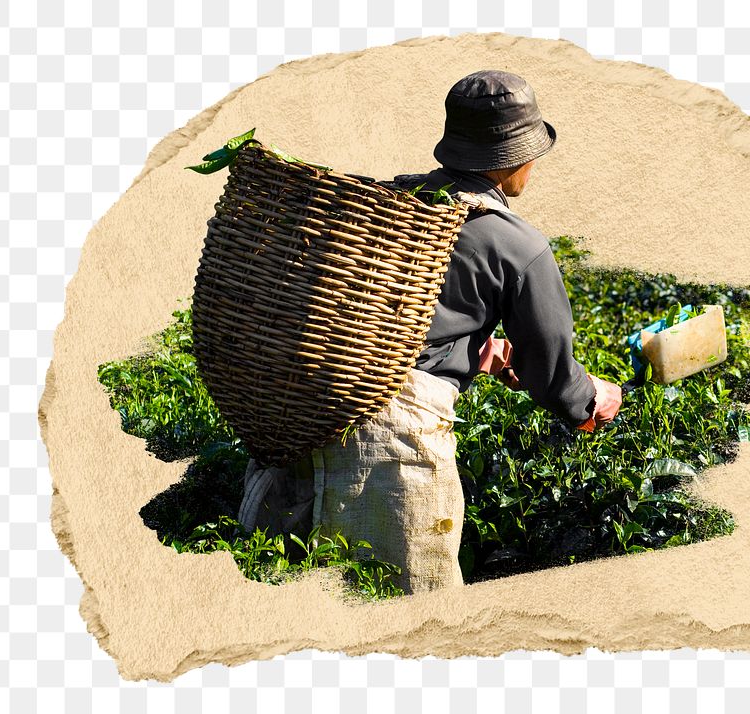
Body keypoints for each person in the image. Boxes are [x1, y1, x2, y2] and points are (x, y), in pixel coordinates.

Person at [237, 70, 623, 595]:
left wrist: (476, 351)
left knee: (288, 606)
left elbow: (389, 316)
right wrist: (588, 401)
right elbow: (551, 370)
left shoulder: (389, 200)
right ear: (516, 159)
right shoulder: (517, 244)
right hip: (390, 447)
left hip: (305, 411)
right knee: (405, 616)